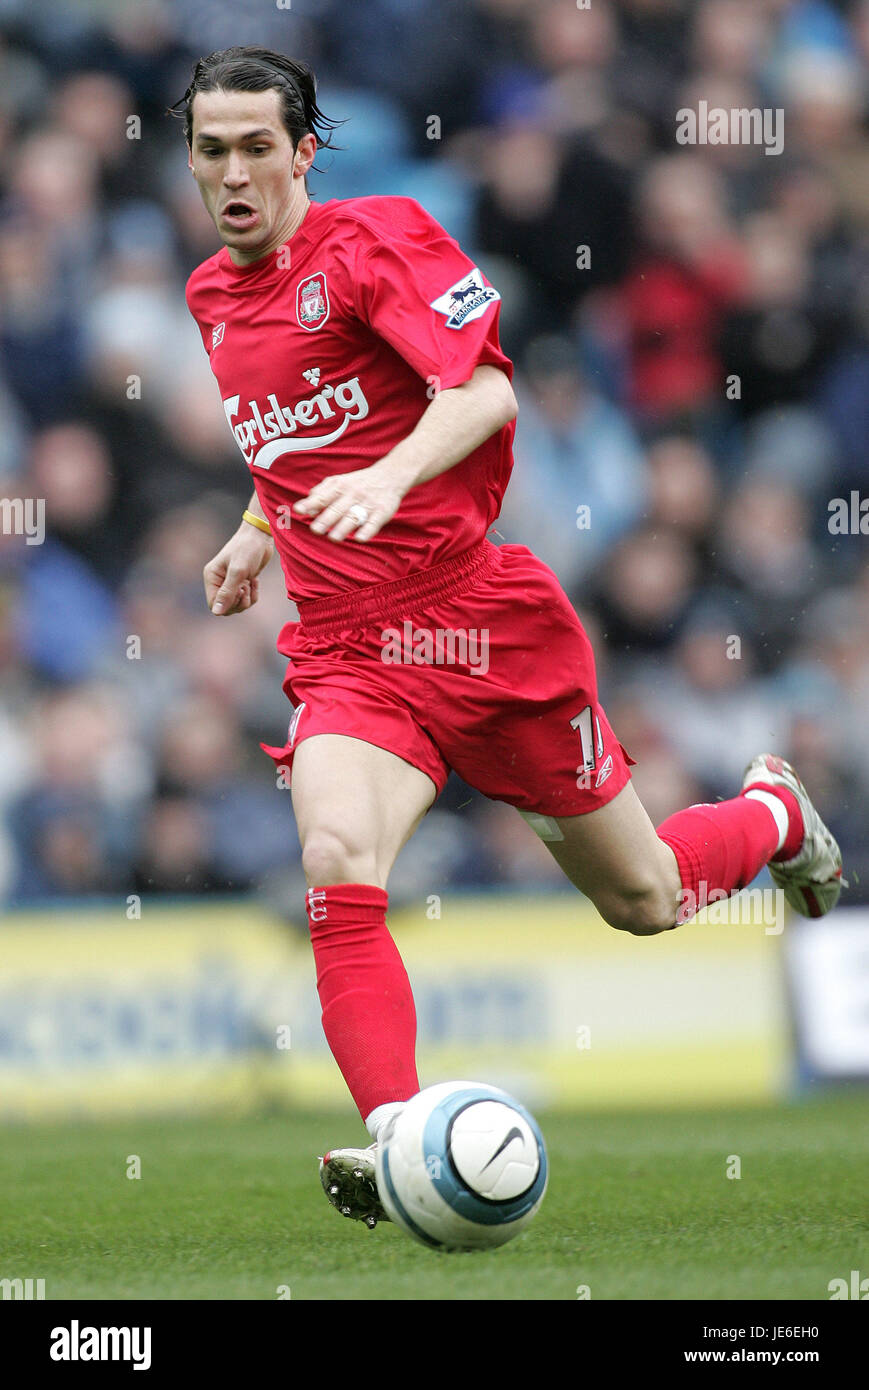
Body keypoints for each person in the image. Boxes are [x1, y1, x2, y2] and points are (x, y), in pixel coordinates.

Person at [173, 46, 843, 1230]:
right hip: (346, 650)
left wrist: (385, 481)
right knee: (337, 859)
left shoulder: (373, 240)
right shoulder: (210, 295)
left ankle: (773, 817)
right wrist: (255, 532)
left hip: (481, 626)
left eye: (257, 147)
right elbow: (285, 440)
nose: (233, 171)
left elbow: (482, 393)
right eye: (211, 148)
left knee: (641, 899)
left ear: (302, 153)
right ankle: (401, 1139)